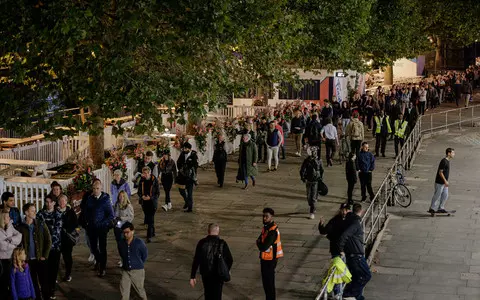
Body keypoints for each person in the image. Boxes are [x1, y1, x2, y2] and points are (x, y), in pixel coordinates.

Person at [190, 223, 233, 300]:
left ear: (208, 231)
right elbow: (230, 259)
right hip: (218, 273)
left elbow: (196, 259)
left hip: (206, 273)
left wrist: (192, 276)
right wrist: (227, 269)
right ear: (218, 231)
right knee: (217, 294)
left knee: (208, 293)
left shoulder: (202, 242)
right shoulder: (222, 243)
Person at [17, 202, 52, 300]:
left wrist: (44, 255)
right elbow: (18, 245)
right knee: (33, 283)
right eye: (32, 211)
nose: (34, 212)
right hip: (28, 261)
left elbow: (48, 241)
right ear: (26, 212)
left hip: (41, 259)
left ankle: (47, 298)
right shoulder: (21, 227)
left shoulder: (40, 224)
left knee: (44, 282)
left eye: (34, 210)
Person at [80, 180, 114, 277]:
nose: (95, 190)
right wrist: (87, 222)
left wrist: (103, 223)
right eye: (94, 188)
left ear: (101, 189)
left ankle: (102, 268)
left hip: (102, 228)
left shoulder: (106, 199)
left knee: (102, 248)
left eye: (97, 188)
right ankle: (98, 261)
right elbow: (86, 211)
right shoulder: (90, 198)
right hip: (91, 228)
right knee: (93, 248)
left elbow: (111, 215)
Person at [338, 203, 371, 300]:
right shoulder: (355, 223)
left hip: (353, 253)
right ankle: (349, 294)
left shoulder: (348, 220)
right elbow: (344, 236)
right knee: (366, 275)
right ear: (361, 211)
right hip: (356, 255)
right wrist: (341, 249)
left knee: (357, 277)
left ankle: (357, 296)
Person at [37, 196, 63, 300]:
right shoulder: (40, 214)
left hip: (55, 248)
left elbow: (57, 230)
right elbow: (39, 230)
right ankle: (45, 292)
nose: (48, 204)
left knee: (53, 271)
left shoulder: (58, 214)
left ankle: (51, 290)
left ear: (54, 203)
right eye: (46, 202)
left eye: (50, 202)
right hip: (43, 248)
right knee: (44, 271)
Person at [256, 208, 283, 300]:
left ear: (272, 217)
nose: (264, 218)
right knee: (266, 283)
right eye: (263, 216)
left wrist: (259, 243)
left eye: (266, 216)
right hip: (265, 259)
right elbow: (259, 240)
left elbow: (263, 246)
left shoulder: (272, 231)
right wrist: (259, 242)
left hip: (270, 260)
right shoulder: (266, 228)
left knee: (269, 284)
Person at [118, 222, 148, 300]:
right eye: (124, 233)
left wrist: (138, 263)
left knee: (140, 291)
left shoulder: (139, 242)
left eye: (127, 232)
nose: (125, 235)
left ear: (132, 231)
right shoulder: (121, 243)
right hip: (126, 270)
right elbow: (122, 254)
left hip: (137, 271)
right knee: (124, 292)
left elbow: (144, 255)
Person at [0, 210, 22, 299]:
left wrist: (10, 240)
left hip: (11, 258)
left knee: (11, 279)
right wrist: (13, 245)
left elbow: (19, 235)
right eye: (7, 217)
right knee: (2, 280)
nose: (10, 218)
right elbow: (1, 245)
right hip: (1, 260)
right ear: (2, 219)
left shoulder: (10, 226)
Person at [57, 194, 78, 282]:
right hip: (57, 239)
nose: (62, 202)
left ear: (66, 202)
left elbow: (75, 224)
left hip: (67, 239)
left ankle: (68, 274)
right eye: (60, 201)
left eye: (64, 201)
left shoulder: (70, 212)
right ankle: (55, 276)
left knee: (67, 258)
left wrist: (69, 230)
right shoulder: (55, 211)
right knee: (56, 258)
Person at [428, 148, 455, 215]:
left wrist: (445, 182)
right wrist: (445, 181)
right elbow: (440, 172)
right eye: (453, 153)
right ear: (449, 153)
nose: (454, 154)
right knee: (437, 195)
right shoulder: (444, 161)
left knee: (445, 195)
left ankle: (441, 208)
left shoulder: (447, 161)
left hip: (444, 183)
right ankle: (432, 208)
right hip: (439, 182)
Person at [300, 146, 324, 220]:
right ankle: (312, 206)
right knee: (309, 196)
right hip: (308, 180)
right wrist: (303, 178)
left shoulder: (319, 160)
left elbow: (322, 170)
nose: (314, 153)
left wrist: (321, 178)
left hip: (316, 180)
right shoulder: (307, 160)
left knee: (313, 196)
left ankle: (312, 211)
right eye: (313, 151)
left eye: (315, 151)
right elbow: (302, 169)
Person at [137, 166, 160, 243]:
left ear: (150, 173)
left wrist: (151, 198)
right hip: (144, 202)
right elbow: (139, 191)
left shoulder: (154, 180)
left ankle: (149, 236)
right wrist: (142, 196)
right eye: (144, 173)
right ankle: (152, 232)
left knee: (150, 218)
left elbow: (157, 193)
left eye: (147, 173)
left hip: (152, 202)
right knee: (149, 217)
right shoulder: (141, 180)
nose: (146, 174)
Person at [176, 142, 198, 213]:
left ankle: (190, 208)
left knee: (189, 192)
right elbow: (178, 162)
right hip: (182, 176)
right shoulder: (182, 153)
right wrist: (181, 169)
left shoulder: (193, 155)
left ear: (189, 149)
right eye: (184, 148)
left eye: (186, 148)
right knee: (181, 190)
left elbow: (195, 166)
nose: (184, 149)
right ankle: (186, 201)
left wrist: (188, 168)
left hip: (190, 177)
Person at [114, 191, 134, 266]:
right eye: (120, 196)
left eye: (122, 196)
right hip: (118, 227)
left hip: (125, 227)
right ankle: (122, 258)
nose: (121, 198)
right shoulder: (117, 204)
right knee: (119, 244)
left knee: (125, 244)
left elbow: (131, 217)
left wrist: (121, 218)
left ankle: (125, 259)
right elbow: (115, 214)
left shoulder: (128, 206)